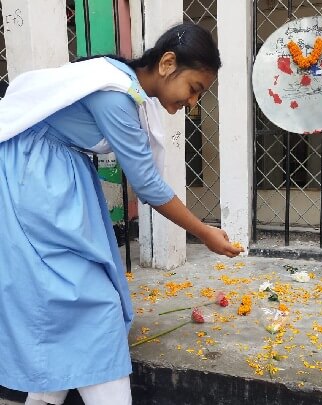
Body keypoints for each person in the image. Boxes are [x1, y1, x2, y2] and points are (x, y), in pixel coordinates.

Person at [0, 22, 243, 405]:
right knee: (91, 303)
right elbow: (147, 185)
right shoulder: (116, 95)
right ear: (167, 63)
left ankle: (44, 396)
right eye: (194, 88)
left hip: (49, 178)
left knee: (67, 302)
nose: (192, 102)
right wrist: (203, 232)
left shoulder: (124, 88)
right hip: (34, 183)